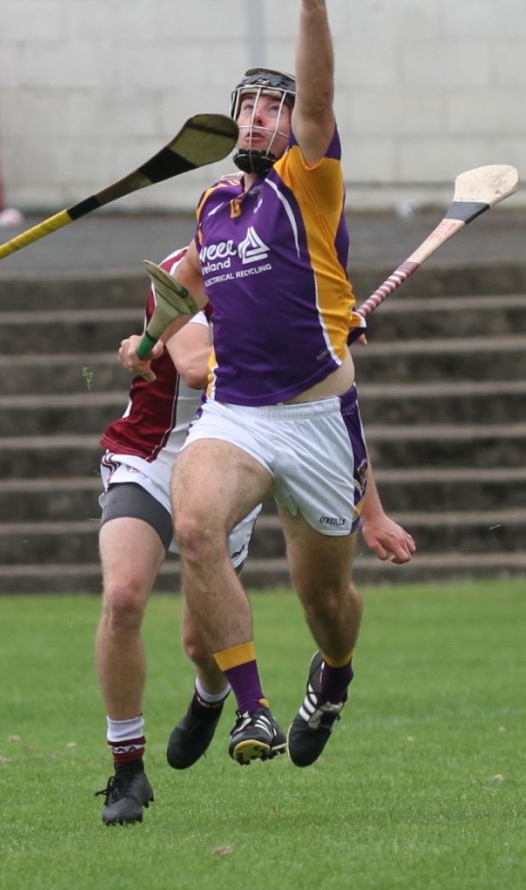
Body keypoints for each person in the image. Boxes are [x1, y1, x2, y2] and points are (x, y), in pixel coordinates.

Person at [120, 0, 390, 775]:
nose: (264, 115)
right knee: (195, 528)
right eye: (251, 104)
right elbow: (185, 282)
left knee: (326, 601)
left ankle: (335, 675)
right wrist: (151, 336)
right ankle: (253, 708)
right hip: (237, 413)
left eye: (274, 106)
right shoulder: (213, 207)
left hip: (316, 418)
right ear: (233, 118)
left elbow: (319, 99)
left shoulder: (308, 183)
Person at [95, 248, 415, 825]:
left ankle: (211, 695)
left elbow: (336, 411)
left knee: (202, 645)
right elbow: (193, 365)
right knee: (122, 597)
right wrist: (298, 344)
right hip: (153, 456)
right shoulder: (197, 268)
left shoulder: (296, 278)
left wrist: (373, 510)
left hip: (235, 463)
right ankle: (127, 770)